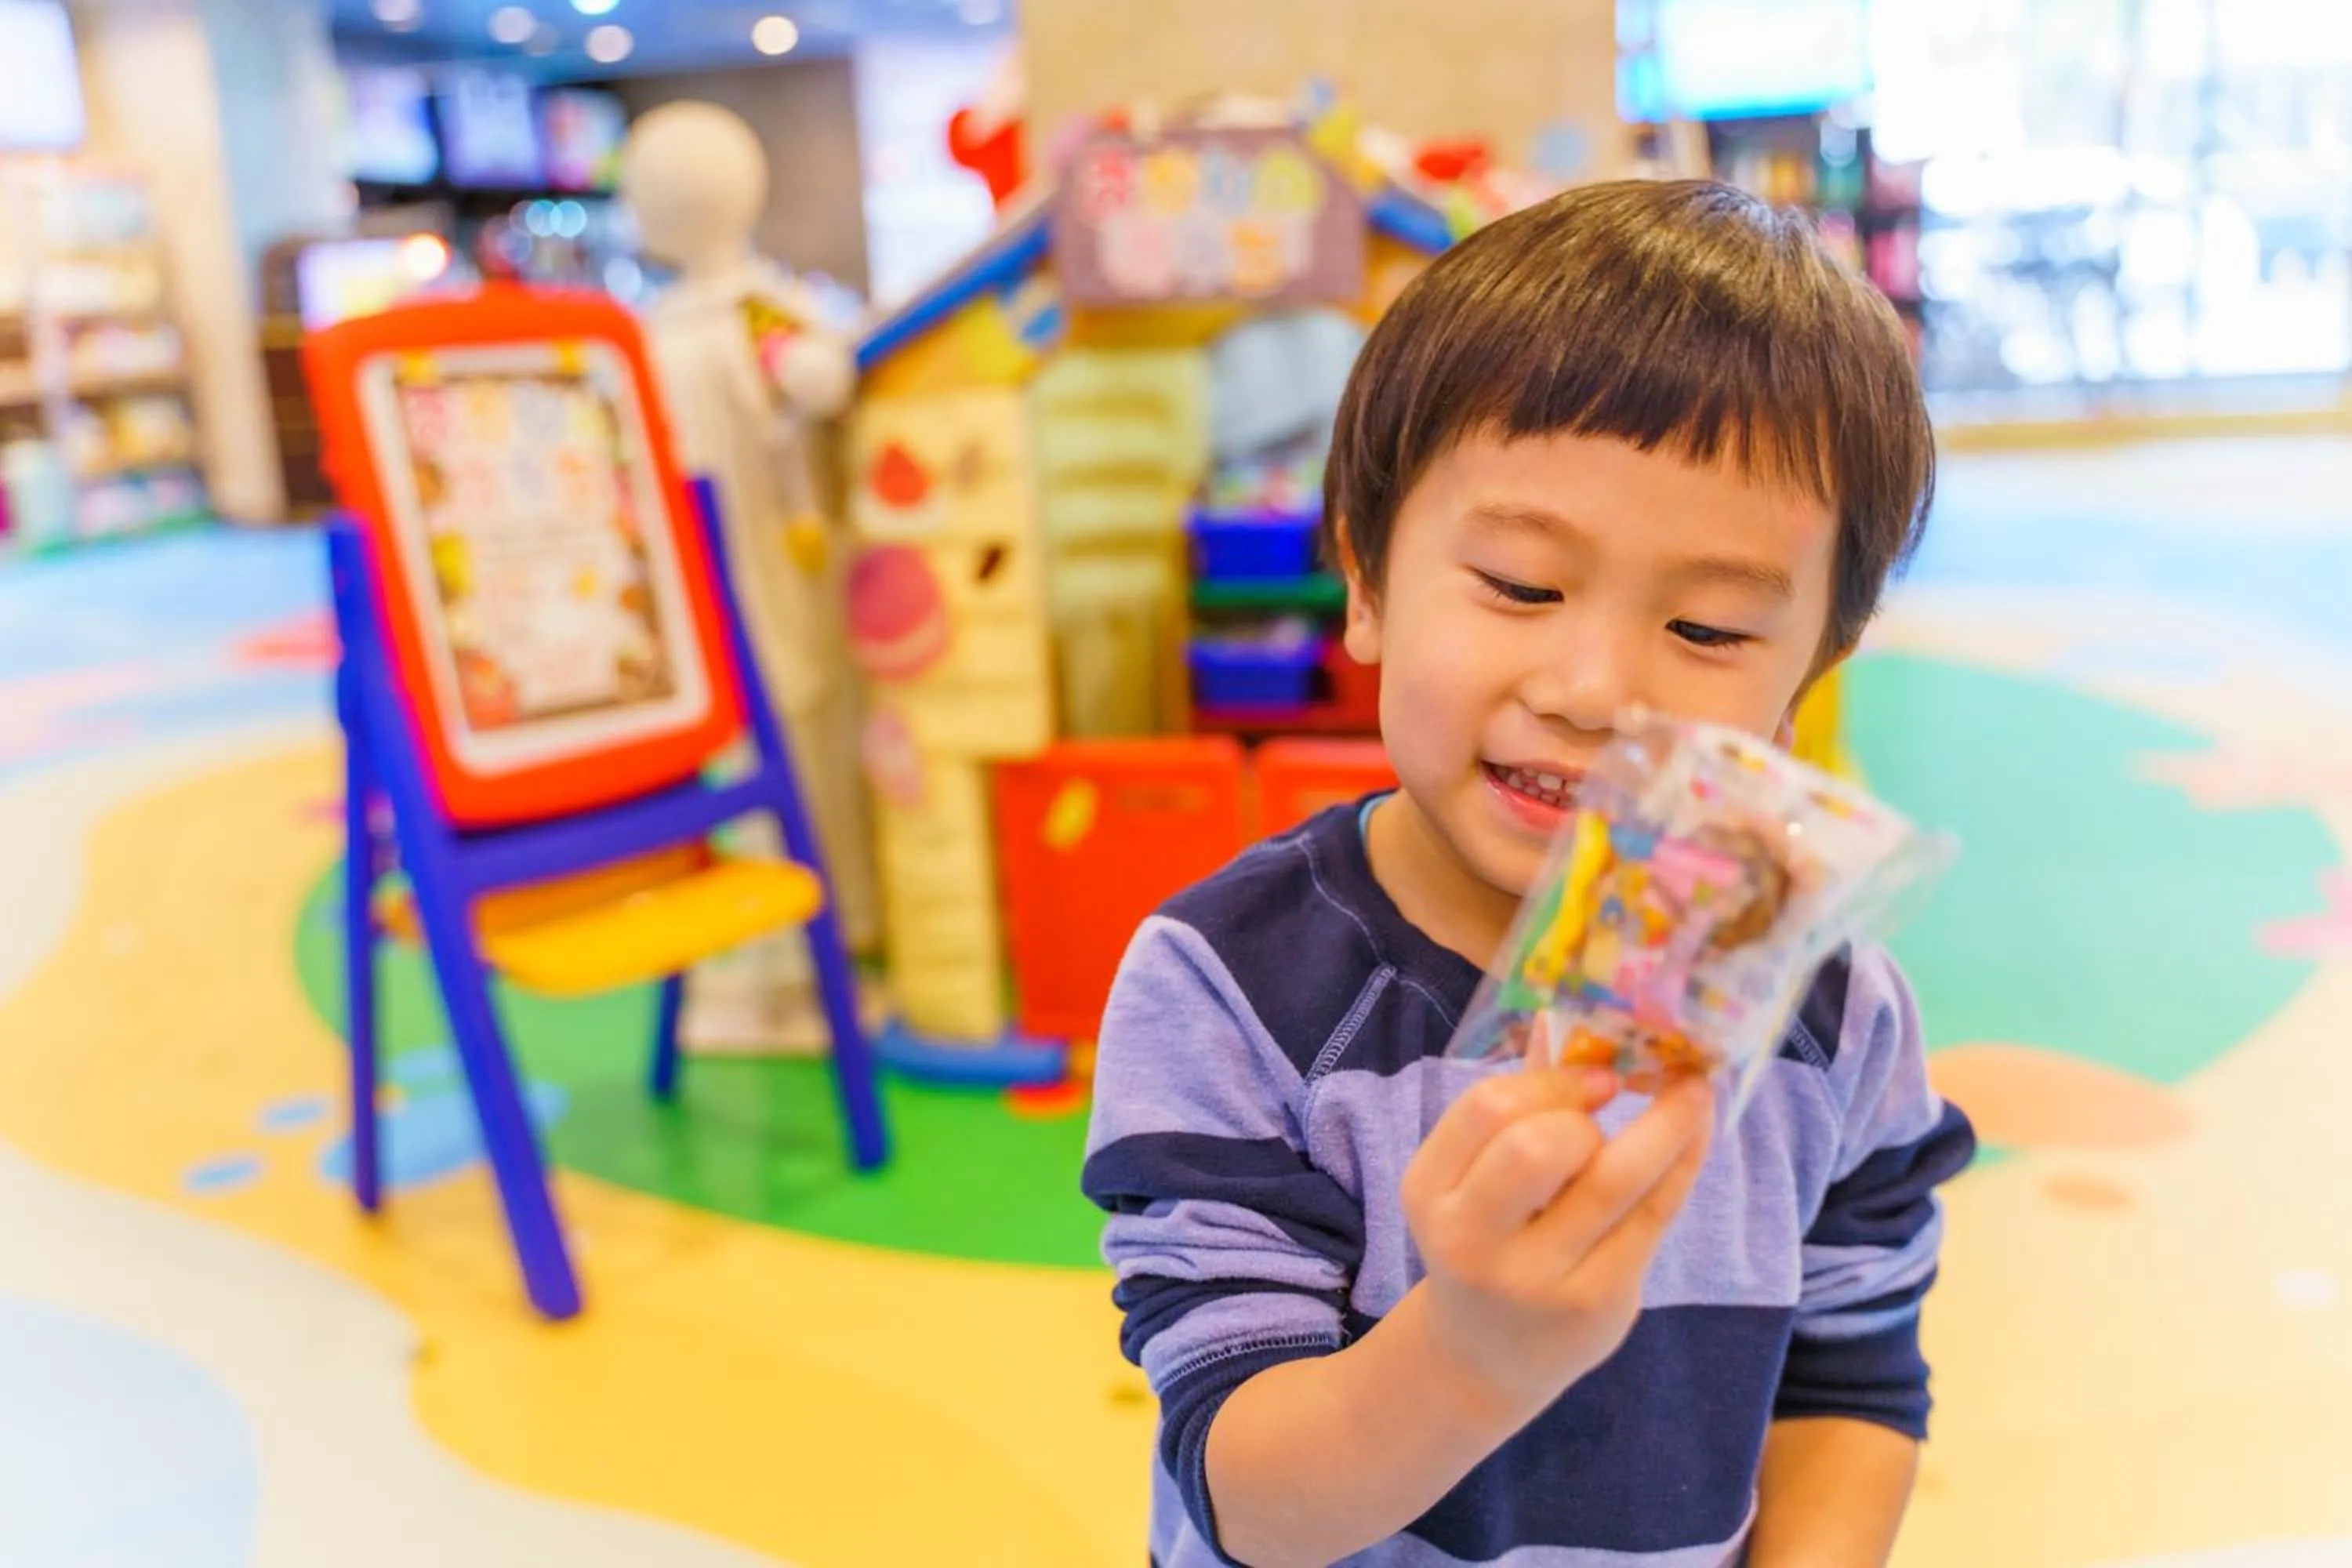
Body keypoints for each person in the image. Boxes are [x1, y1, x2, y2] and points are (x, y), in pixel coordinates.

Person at [1081, 180, 1977, 1568]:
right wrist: (1477, 1349)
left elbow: (1854, 1380)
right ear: (1367, 578)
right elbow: (1246, 1496)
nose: (1592, 687)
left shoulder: (1831, 1014)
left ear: (1808, 675)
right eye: (1517, 583)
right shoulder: (1231, 990)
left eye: (1708, 625)